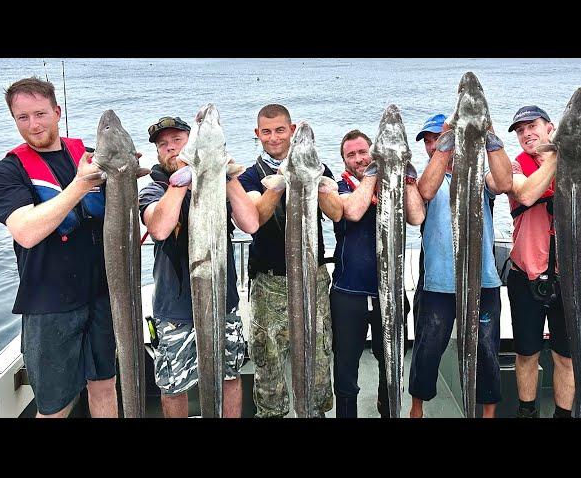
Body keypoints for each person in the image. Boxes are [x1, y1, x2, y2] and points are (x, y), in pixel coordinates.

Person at [0, 77, 118, 418]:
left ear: (57, 112)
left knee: (105, 385)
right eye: (23, 117)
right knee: (55, 406)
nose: (34, 124)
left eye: (41, 114)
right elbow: (26, 232)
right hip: (49, 304)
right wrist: (80, 185)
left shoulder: (90, 157)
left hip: (102, 294)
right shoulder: (6, 171)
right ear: (14, 119)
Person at [138, 115, 259, 418]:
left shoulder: (219, 183)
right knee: (174, 385)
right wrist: (180, 181)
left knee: (229, 375)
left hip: (223, 302)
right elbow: (160, 228)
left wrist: (227, 176)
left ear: (191, 144)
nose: (171, 148)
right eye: (163, 145)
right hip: (174, 310)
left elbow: (251, 222)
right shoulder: (154, 190)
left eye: (177, 141)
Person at [238, 104, 343, 418]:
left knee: (319, 355)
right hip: (269, 283)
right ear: (258, 134)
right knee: (268, 359)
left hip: (313, 278)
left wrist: (309, 175)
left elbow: (336, 212)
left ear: (292, 130)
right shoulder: (249, 176)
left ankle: (315, 410)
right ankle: (272, 412)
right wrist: (282, 178)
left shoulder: (318, 167)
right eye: (266, 131)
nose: (273, 138)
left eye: (280, 130)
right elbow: (254, 217)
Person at [506, 106, 581, 418]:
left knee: (566, 357)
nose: (526, 134)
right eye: (520, 130)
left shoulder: (576, 160)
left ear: (549, 127)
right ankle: (528, 412)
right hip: (526, 277)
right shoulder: (515, 166)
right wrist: (558, 152)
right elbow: (525, 195)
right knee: (527, 354)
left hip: (568, 280)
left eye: (532, 126)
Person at [408, 113, 513, 418]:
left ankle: (488, 414)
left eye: (437, 139)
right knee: (427, 349)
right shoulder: (425, 179)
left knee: (486, 350)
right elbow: (424, 193)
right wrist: (443, 147)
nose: (431, 146)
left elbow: (504, 182)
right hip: (438, 283)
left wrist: (489, 132)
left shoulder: (478, 174)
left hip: (483, 281)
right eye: (428, 142)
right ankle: (417, 410)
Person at [330, 129, 425, 418]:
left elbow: (417, 216)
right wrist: (374, 172)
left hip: (390, 292)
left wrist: (405, 174)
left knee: (390, 363)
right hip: (349, 295)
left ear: (374, 151)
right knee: (346, 367)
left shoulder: (393, 185)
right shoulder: (339, 188)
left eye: (363, 152)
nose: (359, 159)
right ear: (344, 161)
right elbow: (354, 211)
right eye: (351, 155)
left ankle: (388, 411)